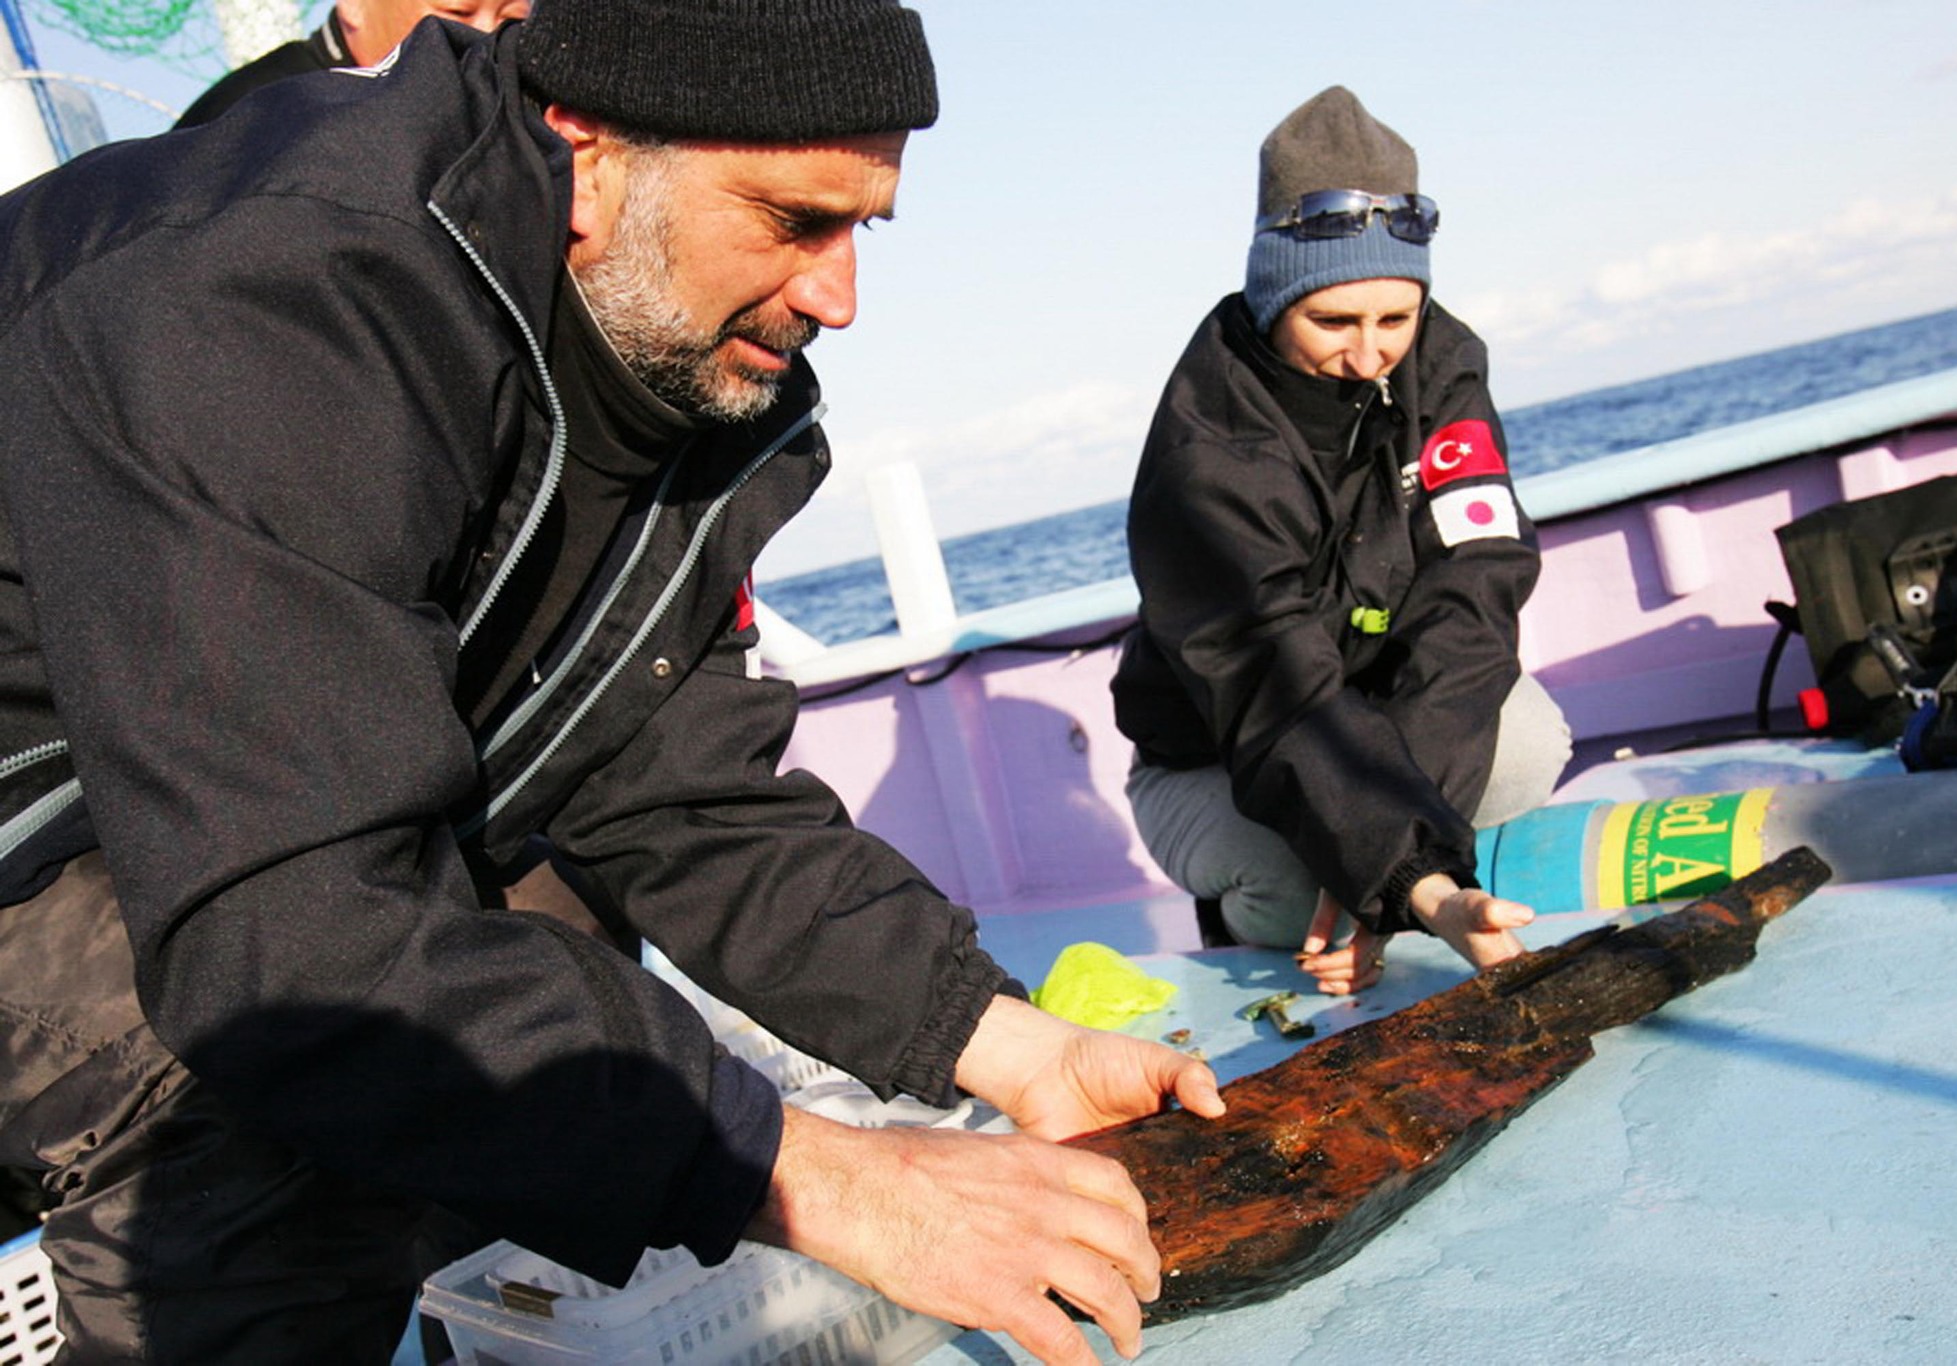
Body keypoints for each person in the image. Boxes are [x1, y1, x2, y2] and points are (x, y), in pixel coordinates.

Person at [0, 3, 1225, 1363]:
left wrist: (1009, 1044)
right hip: (41, 831)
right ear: (587, 153)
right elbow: (291, 932)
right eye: (791, 220)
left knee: (535, 996)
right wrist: (827, 1176)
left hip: (168, 798)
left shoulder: (678, 369)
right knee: (292, 1083)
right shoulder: (276, 300)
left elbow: (674, 784)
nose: (840, 297)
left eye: (862, 227)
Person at [1112, 86, 1573, 997]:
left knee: (1530, 739)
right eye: (1333, 322)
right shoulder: (1207, 455)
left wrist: (1396, 872)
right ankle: (1255, 911)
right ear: (1275, 293)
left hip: (1372, 707)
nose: (1370, 357)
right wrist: (1409, 883)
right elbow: (1272, 682)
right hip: (1226, 745)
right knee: (1293, 896)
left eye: (1393, 320)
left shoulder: (1442, 366)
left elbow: (1474, 592)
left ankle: (1380, 859)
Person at [175, 0, 531, 128]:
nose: (487, 37)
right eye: (457, 12)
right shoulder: (264, 115)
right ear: (355, 5)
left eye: (512, 19)